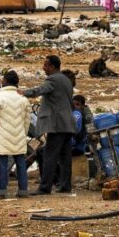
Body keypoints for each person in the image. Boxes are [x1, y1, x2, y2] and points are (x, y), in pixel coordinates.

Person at [24, 54, 76, 194]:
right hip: (68, 124)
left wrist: (23, 92)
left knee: (49, 155)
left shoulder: (52, 80)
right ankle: (65, 186)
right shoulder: (66, 80)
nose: (43, 68)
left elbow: (40, 90)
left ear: (53, 67)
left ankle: (45, 187)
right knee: (65, 157)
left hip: (57, 125)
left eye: (46, 65)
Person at [0, 70, 31, 199]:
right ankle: (23, 190)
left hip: (2, 137)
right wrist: (23, 133)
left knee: (2, 165)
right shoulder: (23, 99)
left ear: (4, 81)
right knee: (21, 163)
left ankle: (1, 191)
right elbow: (27, 121)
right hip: (19, 135)